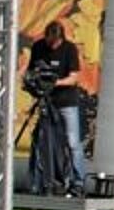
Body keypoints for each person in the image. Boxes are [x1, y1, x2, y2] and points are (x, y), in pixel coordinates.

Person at [26, 21, 85, 197]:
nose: (52, 45)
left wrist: (55, 82)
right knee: (41, 140)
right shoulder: (38, 47)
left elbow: (74, 78)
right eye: (49, 41)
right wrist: (34, 83)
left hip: (66, 101)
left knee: (72, 142)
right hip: (45, 101)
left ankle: (78, 182)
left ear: (61, 38)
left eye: (55, 42)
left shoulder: (69, 49)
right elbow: (31, 71)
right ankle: (41, 181)